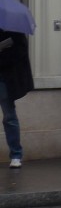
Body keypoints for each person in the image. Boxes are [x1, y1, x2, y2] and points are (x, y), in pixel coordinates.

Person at [0, 29, 34, 168]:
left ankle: (16, 154)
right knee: (9, 117)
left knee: (9, 116)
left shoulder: (12, 29)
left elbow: (20, 50)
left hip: (4, 78)